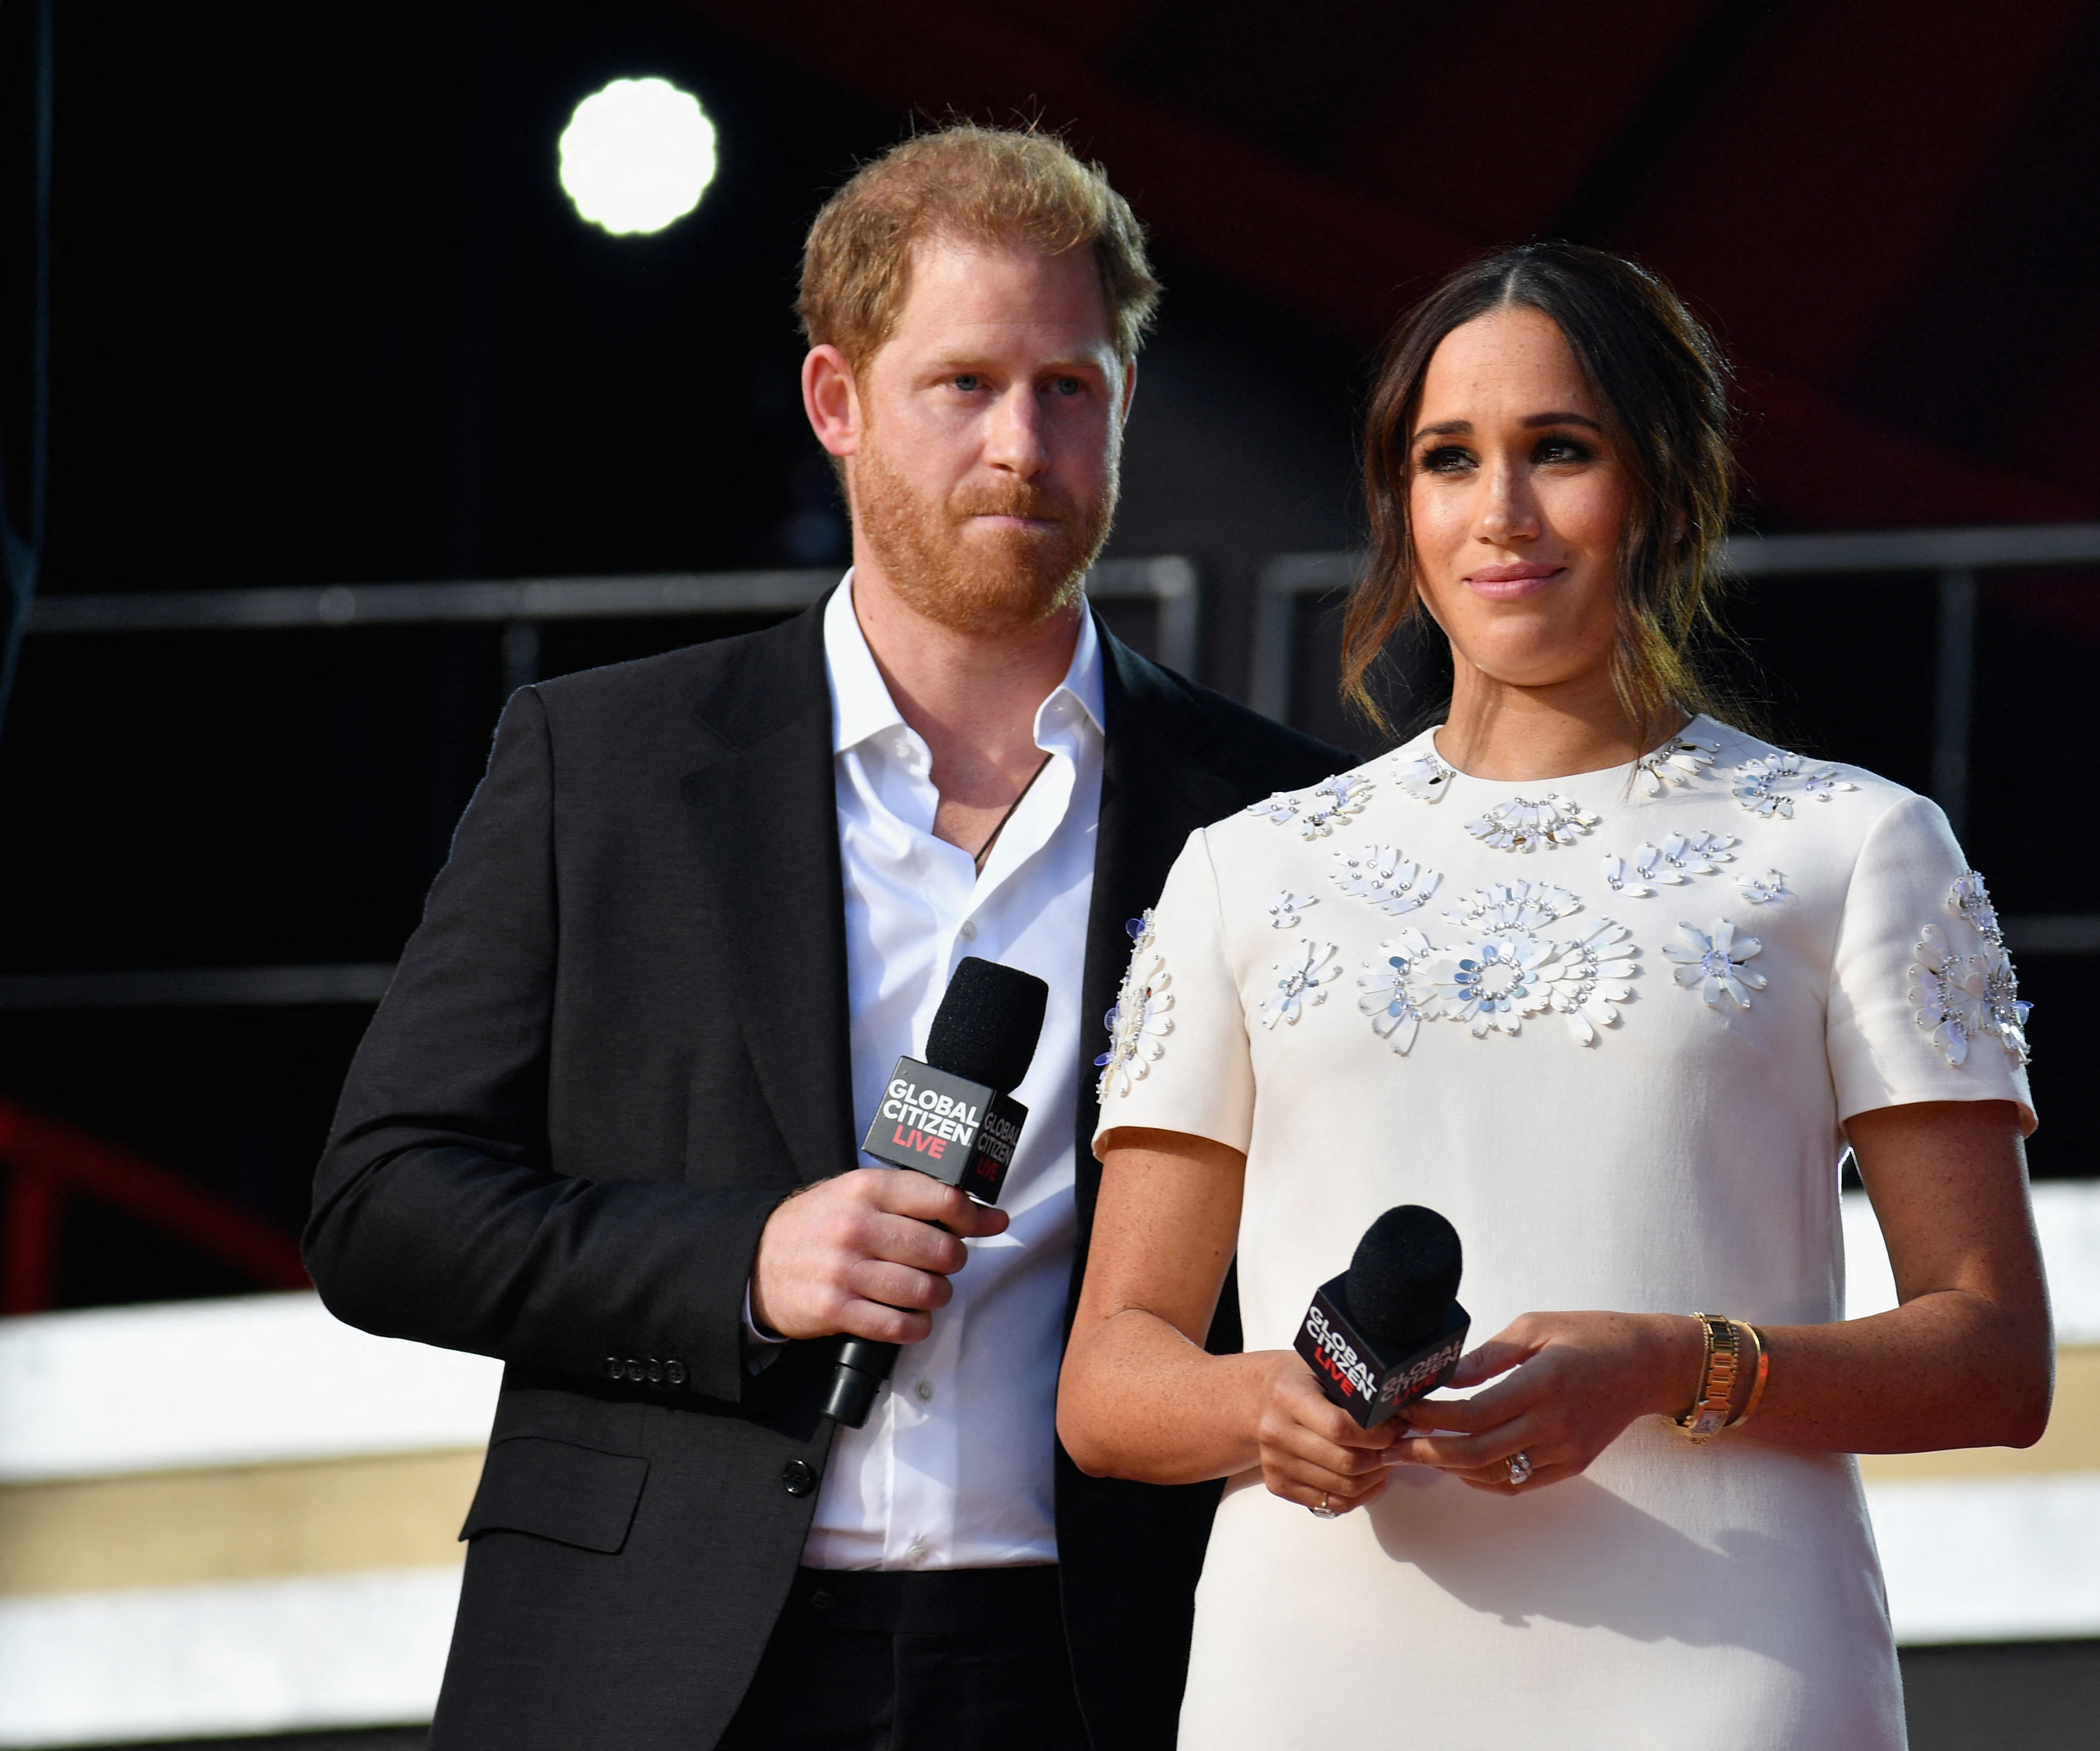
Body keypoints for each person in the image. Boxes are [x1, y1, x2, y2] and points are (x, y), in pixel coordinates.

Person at [305, 124, 1340, 1751]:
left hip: (1096, 1664)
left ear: (1126, 402)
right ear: (836, 401)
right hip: (656, 1663)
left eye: (1070, 387)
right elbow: (382, 1206)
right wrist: (746, 1264)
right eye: (964, 384)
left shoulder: (1274, 816)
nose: (1021, 443)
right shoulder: (607, 764)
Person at [1057, 242, 2053, 1748]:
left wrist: (1670, 1364)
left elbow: (1992, 1357)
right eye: (1449, 459)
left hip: (1725, 1668)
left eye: (1562, 450)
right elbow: (1110, 1380)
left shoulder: (1852, 847)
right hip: (1319, 1675)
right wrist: (1269, 1408)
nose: (1502, 513)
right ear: (1401, 504)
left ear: (1664, 490)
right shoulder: (1248, 873)